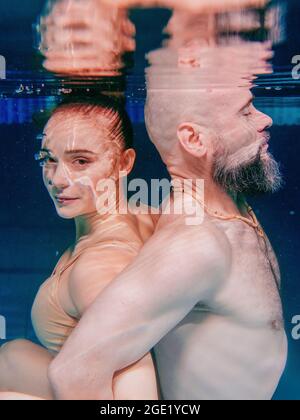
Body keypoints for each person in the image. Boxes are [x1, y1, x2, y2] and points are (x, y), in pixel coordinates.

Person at [46, 39, 287, 399]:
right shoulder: (194, 244)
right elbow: (75, 371)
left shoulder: (229, 204)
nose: (266, 119)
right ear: (194, 139)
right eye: (247, 111)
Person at [0, 96, 159, 400]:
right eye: (49, 158)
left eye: (81, 161)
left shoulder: (99, 265)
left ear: (124, 163)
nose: (58, 179)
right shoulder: (146, 215)